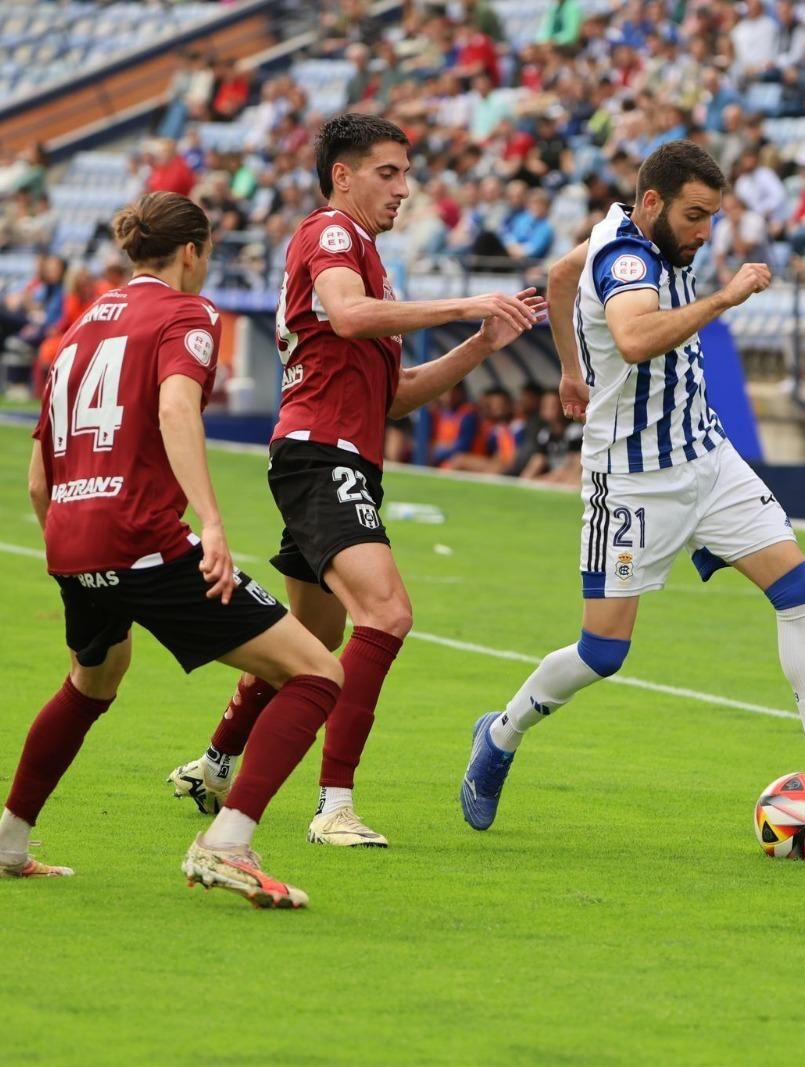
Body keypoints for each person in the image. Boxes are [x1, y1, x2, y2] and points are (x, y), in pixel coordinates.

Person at [459, 140, 805, 831]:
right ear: (653, 204)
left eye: (712, 217)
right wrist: (725, 297)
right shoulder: (625, 257)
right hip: (633, 479)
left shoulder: (620, 233)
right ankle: (500, 734)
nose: (706, 233)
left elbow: (557, 279)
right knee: (603, 652)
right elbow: (637, 336)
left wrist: (571, 370)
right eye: (696, 216)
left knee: (801, 586)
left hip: (707, 456)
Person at [166, 114, 545, 846]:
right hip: (322, 456)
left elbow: (392, 397)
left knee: (310, 638)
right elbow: (346, 316)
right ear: (343, 174)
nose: (404, 189)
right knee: (387, 615)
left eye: (407, 173)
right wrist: (467, 301)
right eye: (388, 172)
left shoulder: (368, 258)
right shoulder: (333, 233)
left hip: (339, 455)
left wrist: (479, 343)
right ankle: (333, 804)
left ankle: (216, 762)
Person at [0, 192, 345, 908]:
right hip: (143, 537)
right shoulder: (187, 313)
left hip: (72, 538)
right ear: (192, 252)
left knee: (94, 679)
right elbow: (176, 407)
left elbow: (37, 477)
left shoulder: (78, 329)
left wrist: (74, 546)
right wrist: (211, 520)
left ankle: (6, 846)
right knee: (317, 671)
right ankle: (227, 843)